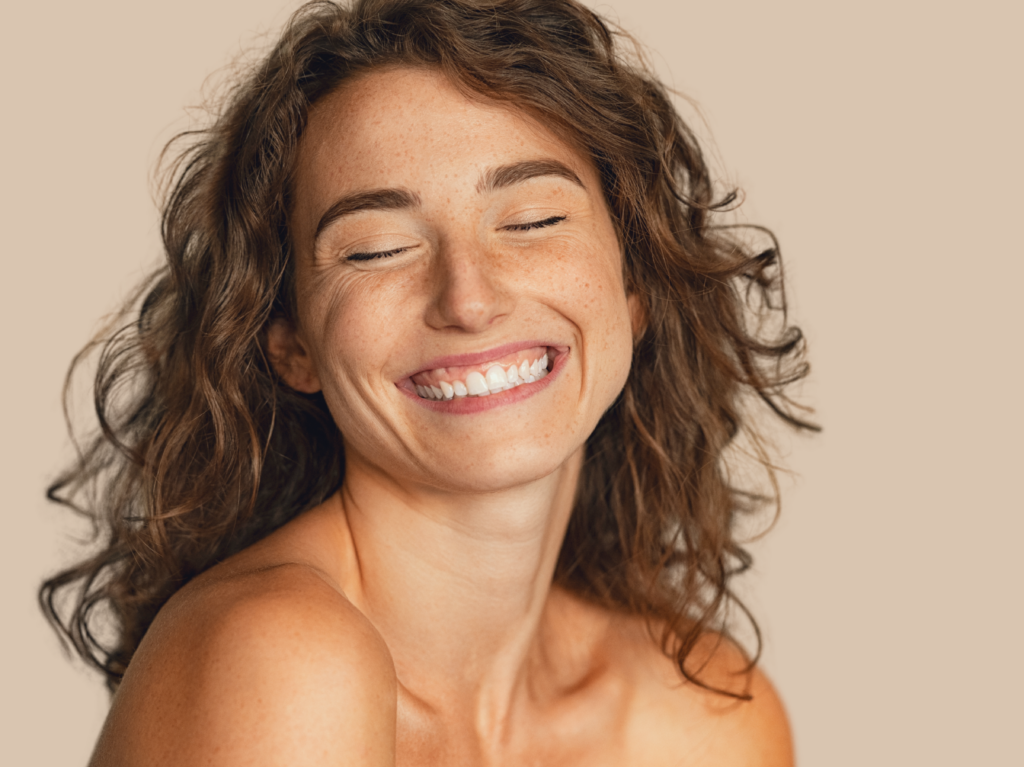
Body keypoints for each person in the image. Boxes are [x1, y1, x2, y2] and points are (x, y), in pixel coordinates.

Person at [41, 0, 815, 763]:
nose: (469, 299)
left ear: (634, 287)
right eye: (376, 248)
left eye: (534, 219)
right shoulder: (281, 655)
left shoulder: (706, 718)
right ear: (290, 342)